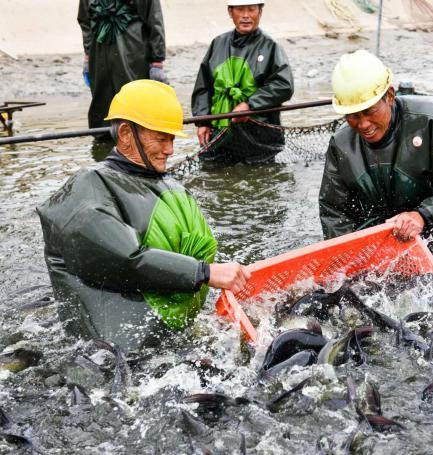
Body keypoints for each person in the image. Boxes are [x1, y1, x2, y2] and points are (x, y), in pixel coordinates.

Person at [37, 80, 250, 352]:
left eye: (172, 139)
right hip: (113, 358)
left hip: (170, 343)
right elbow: (123, 258)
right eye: (161, 138)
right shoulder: (87, 188)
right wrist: (205, 273)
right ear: (126, 133)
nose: (170, 149)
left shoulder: (169, 186)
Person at [319, 50, 433, 244]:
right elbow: (334, 210)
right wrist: (347, 255)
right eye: (353, 115)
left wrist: (422, 215)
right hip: (397, 223)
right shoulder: (341, 144)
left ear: (390, 96)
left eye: (370, 112)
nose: (363, 124)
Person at [191, 0, 294, 164]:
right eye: (240, 9)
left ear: (260, 12)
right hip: (220, 133)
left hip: (259, 136)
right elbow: (204, 86)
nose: (246, 15)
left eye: (251, 9)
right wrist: (203, 122)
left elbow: (283, 86)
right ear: (230, 12)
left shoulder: (271, 46)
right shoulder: (218, 44)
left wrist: (249, 105)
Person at [78, 0, 169, 129]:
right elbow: (85, 20)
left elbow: (154, 20)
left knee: (134, 101)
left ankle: (137, 136)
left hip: (133, 51)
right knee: (102, 105)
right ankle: (104, 140)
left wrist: (157, 62)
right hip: (99, 54)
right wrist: (88, 56)